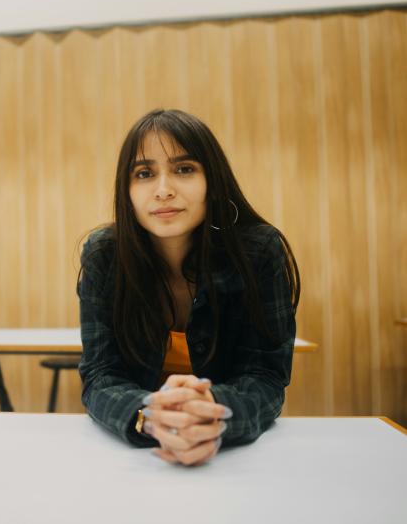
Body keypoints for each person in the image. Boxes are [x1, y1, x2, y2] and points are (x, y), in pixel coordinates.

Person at [77, 109, 300, 467]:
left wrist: (212, 411)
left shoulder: (258, 251)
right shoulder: (106, 255)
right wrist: (147, 416)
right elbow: (100, 375)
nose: (163, 190)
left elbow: (266, 377)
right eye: (145, 173)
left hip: (236, 462)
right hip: (138, 461)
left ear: (213, 182)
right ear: (127, 190)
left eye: (184, 169)